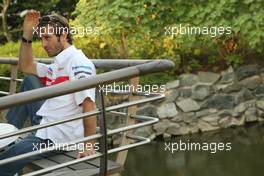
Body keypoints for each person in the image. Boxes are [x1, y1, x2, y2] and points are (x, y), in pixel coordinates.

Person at [0, 10, 97, 175]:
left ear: (64, 35)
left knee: (4, 162)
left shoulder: (79, 64)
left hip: (56, 139)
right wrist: (27, 36)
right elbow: (26, 66)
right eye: (41, 38)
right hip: (46, 124)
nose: (44, 44)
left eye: (47, 38)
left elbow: (89, 105)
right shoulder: (57, 64)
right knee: (30, 80)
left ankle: (7, 143)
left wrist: (88, 146)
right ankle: (8, 134)